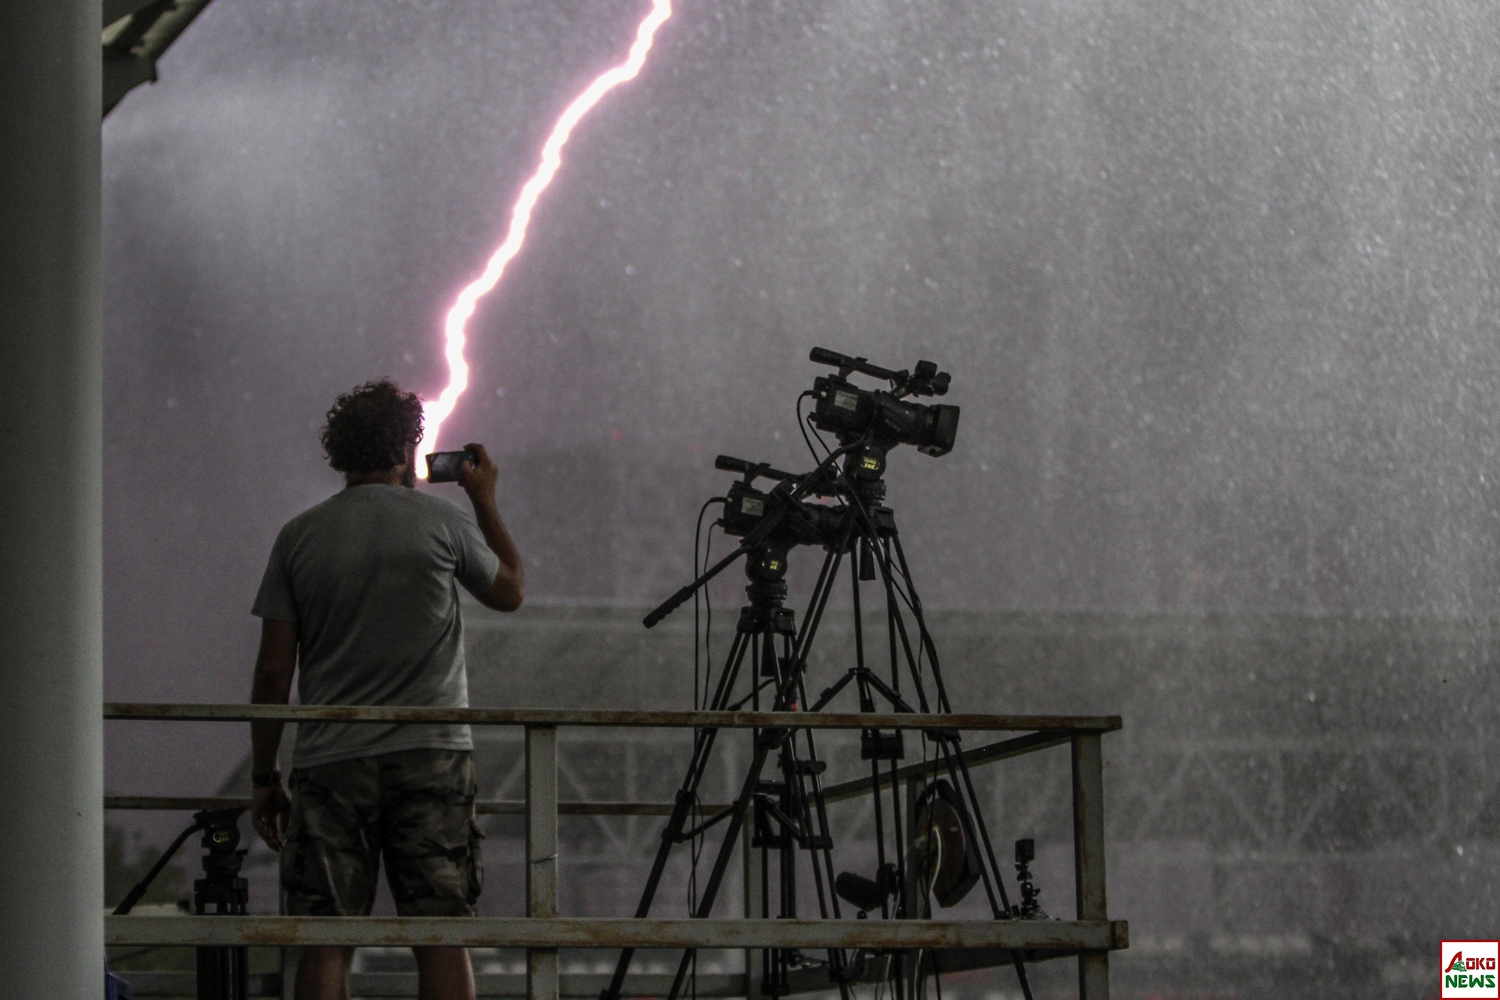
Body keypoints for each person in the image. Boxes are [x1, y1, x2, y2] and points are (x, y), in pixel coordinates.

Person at [248, 378, 524, 1000]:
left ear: (342, 453)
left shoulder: (298, 536)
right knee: (440, 932)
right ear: (406, 449)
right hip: (432, 758)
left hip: (329, 761)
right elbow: (510, 590)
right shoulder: (442, 520)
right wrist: (484, 500)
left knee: (325, 939)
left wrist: (266, 775)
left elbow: (273, 671)